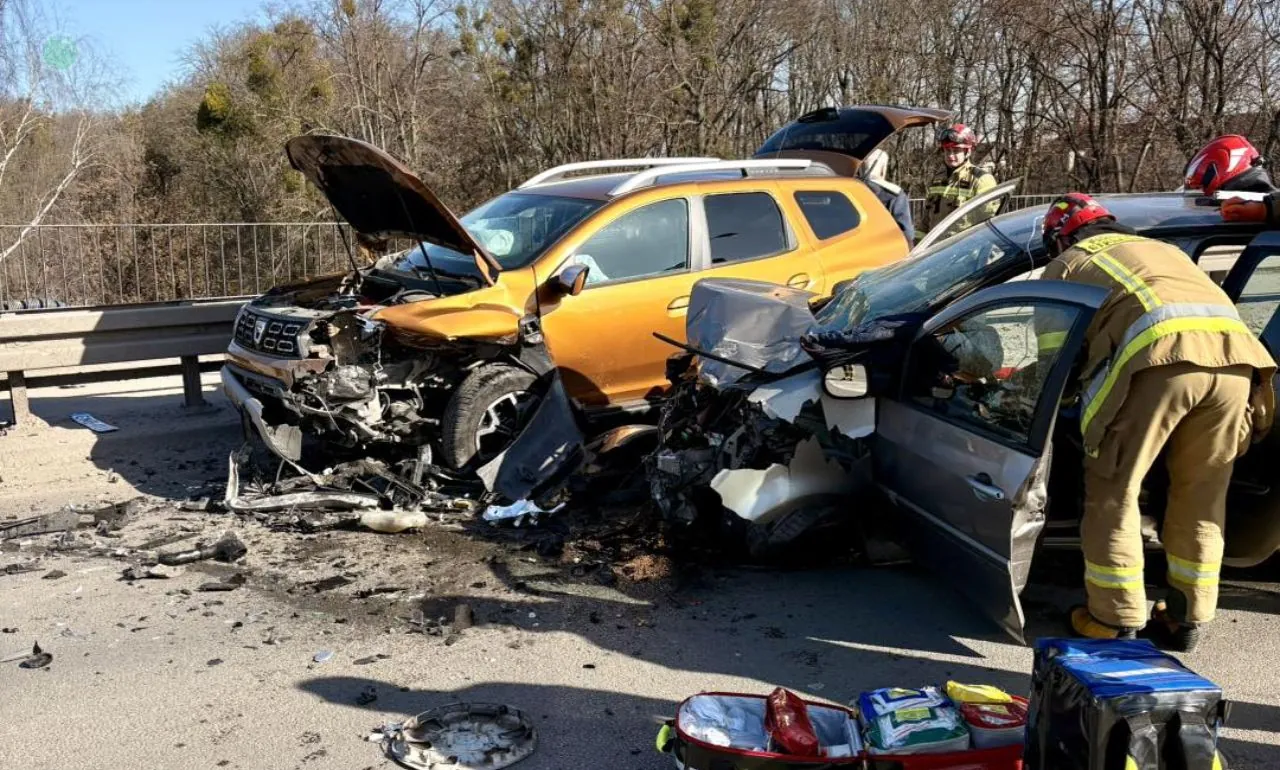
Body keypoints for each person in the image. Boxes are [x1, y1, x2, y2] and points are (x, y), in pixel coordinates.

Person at [1036, 193, 1277, 651]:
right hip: (1239, 367)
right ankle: (1186, 617)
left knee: (1114, 487)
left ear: (1061, 237)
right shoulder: (1165, 251)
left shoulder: (1069, 262)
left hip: (1158, 363)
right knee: (1203, 493)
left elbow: (1055, 356)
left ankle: (1113, 618)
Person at [916, 123, 998, 238]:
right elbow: (925, 222)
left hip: (964, 251)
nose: (950, 155)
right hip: (934, 251)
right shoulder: (937, 179)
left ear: (968, 152)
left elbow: (990, 224)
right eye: (947, 151)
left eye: (956, 151)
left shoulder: (981, 180)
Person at [858, 148, 915, 248]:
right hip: (886, 251)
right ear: (883, 169)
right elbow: (906, 234)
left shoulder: (846, 190)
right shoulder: (894, 194)